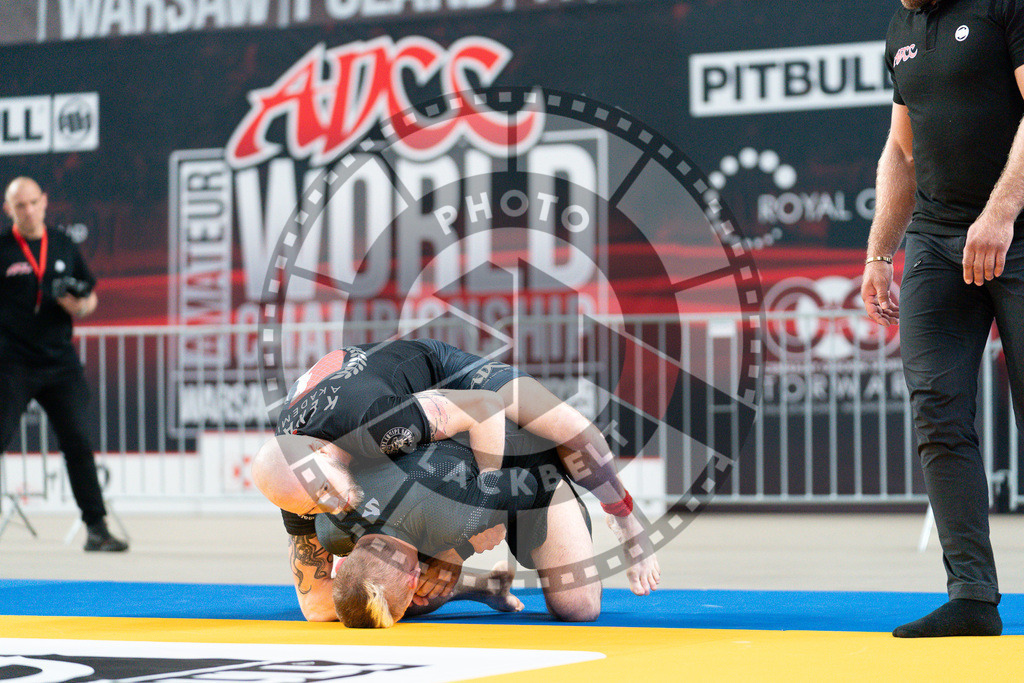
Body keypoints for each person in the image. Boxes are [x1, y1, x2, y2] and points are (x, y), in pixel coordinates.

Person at [861, 0, 1024, 636]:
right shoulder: (901, 29)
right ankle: (973, 597)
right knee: (937, 407)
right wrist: (879, 252)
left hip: (1016, 229)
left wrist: (1002, 213)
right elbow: (902, 151)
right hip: (935, 236)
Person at [274, 339, 659, 596]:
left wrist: (486, 502)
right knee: (405, 583)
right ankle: (473, 583)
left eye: (325, 494)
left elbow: (484, 408)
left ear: (323, 456)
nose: (333, 503)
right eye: (318, 504)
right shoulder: (289, 476)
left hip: (440, 374)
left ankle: (624, 517)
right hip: (381, 412)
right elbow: (315, 603)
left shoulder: (378, 423)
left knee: (569, 428)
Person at [252, 427, 602, 626]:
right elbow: (317, 604)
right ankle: (483, 586)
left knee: (578, 608)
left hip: (527, 468)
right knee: (367, 601)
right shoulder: (328, 523)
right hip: (441, 483)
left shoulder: (449, 514)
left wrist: (459, 548)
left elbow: (520, 496)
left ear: (413, 574)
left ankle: (558, 498)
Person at [1, 177, 127, 552]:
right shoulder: (3, 249)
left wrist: (79, 305)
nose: (27, 210)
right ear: (9, 209)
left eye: (32, 202)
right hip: (12, 363)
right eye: (19, 205)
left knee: (78, 442)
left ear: (44, 201)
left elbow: (90, 298)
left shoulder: (62, 243)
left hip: (59, 362)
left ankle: (96, 528)